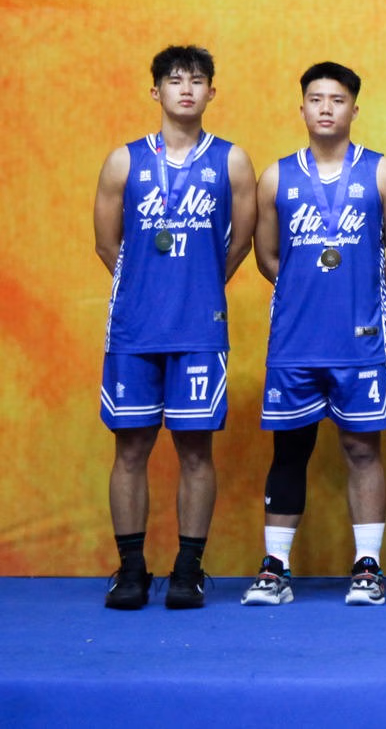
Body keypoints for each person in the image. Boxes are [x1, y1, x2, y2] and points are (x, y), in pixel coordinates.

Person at [242, 62, 386, 607]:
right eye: (316, 99)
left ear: (354, 109)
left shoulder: (384, 174)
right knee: (289, 449)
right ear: (302, 109)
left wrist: (361, 293)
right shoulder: (276, 177)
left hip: (359, 341)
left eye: (337, 100)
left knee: (362, 449)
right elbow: (268, 257)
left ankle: (368, 566)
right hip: (295, 340)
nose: (325, 108)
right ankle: (275, 567)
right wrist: (305, 292)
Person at [95, 46, 257, 610]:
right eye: (174, 80)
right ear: (155, 91)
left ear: (212, 92)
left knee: (195, 451)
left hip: (198, 330)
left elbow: (240, 243)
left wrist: (198, 284)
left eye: (196, 80)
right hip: (135, 330)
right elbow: (107, 244)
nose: (185, 89)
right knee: (130, 449)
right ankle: (131, 569)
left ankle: (188, 568)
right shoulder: (124, 162)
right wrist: (147, 287)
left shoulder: (233, 162)